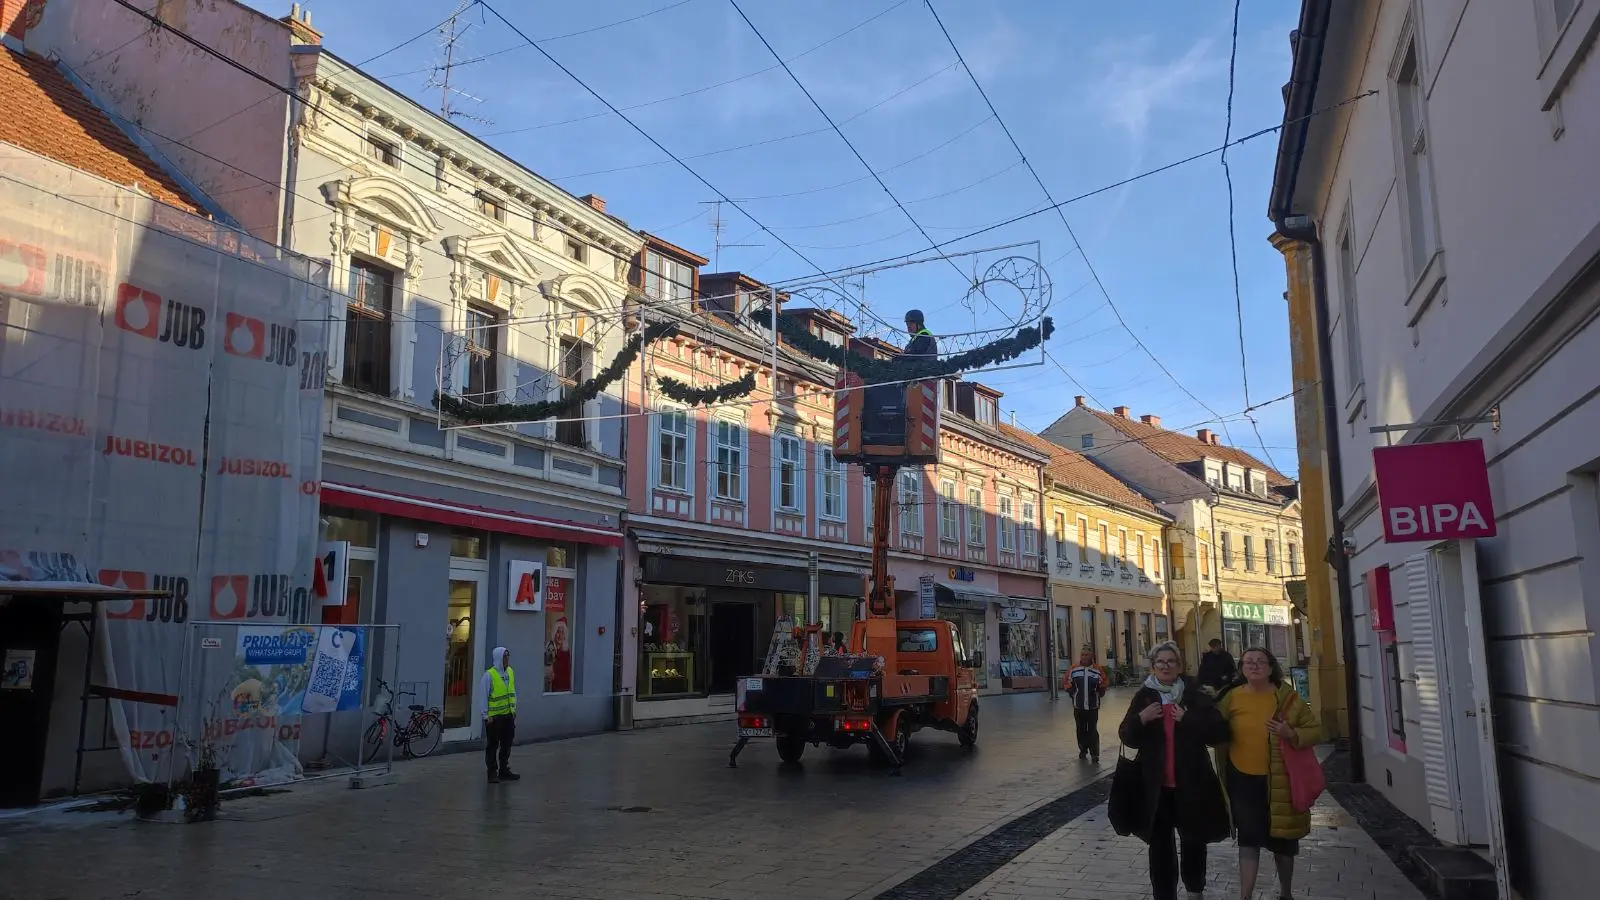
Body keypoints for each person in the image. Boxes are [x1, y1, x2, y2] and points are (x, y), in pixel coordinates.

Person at [1119, 641, 1231, 900]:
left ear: (1180, 666)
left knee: (1193, 840)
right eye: (1161, 662)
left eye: (1171, 662)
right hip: (1156, 787)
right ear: (1153, 667)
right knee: (1159, 846)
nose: (1166, 666)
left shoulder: (1194, 694)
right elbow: (1127, 737)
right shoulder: (1144, 696)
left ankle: (1195, 891)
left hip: (1191, 783)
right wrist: (1141, 719)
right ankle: (1164, 894)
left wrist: (1188, 719)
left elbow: (1219, 734)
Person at [1214, 647, 1322, 900]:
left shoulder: (1288, 699)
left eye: (1260, 661)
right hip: (1242, 779)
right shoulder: (1231, 698)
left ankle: (1286, 893)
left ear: (1271, 667)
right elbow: (1214, 728)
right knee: (1248, 839)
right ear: (1241, 668)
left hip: (1281, 780)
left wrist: (1291, 734)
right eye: (1248, 662)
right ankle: (1246, 896)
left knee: (1282, 841)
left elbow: (1316, 731)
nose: (1254, 666)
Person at [481, 647, 520, 783]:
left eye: (508, 656)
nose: (507, 659)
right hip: (494, 718)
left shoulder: (510, 672)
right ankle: (492, 773)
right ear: (498, 658)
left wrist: (513, 710)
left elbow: (512, 692)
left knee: (506, 744)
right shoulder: (489, 675)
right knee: (492, 746)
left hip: (508, 716)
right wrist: (486, 716)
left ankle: (504, 770)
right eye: (505, 656)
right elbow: (483, 697)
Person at [1064, 645, 1108, 762]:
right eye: (1082, 655)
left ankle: (1094, 753)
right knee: (1080, 729)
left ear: (1091, 656)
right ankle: (1083, 750)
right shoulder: (1074, 669)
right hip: (1078, 705)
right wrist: (1071, 691)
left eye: (1086, 655)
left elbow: (1104, 682)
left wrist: (1100, 690)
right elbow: (1067, 681)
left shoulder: (1097, 669)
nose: (1084, 657)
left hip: (1093, 705)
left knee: (1092, 729)